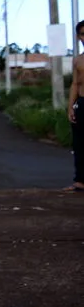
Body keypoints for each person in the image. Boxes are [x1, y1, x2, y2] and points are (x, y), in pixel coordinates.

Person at [65, 20, 84, 191]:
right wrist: (71, 106)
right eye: (83, 34)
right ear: (79, 37)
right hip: (82, 103)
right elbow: (75, 84)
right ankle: (80, 180)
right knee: (79, 144)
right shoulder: (78, 60)